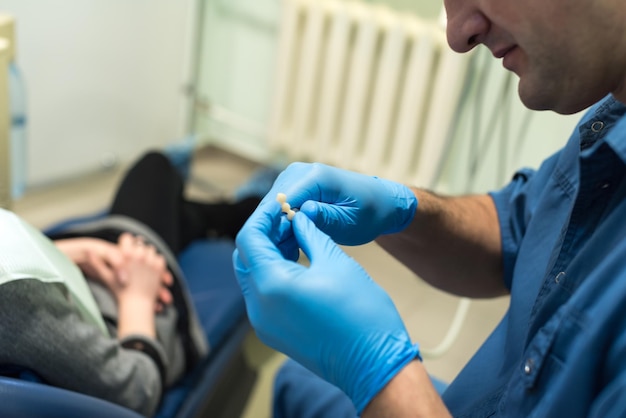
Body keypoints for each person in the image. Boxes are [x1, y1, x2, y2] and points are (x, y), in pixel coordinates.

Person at [232, 0, 626, 416]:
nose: (458, 36)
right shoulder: (611, 118)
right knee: (295, 382)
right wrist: (400, 210)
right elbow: (519, 229)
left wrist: (378, 371)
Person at [0, 151, 261, 417]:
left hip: (77, 267)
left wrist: (63, 250)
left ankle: (221, 215)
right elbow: (137, 391)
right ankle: (237, 212)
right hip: (122, 306)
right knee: (156, 166)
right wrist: (138, 296)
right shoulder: (13, 296)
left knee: (173, 205)